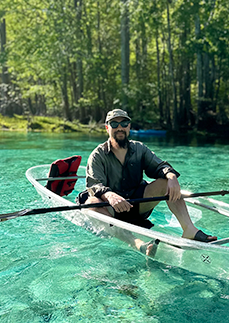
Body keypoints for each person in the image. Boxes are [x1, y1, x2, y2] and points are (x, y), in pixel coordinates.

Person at [79, 109, 217, 256]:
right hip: (111, 209)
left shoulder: (140, 149)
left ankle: (189, 229)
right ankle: (138, 244)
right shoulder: (98, 155)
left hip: (137, 205)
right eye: (114, 123)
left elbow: (159, 166)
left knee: (166, 182)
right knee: (91, 202)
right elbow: (94, 185)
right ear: (107, 128)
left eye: (124, 123)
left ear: (129, 126)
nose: (120, 127)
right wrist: (110, 195)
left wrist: (171, 176)